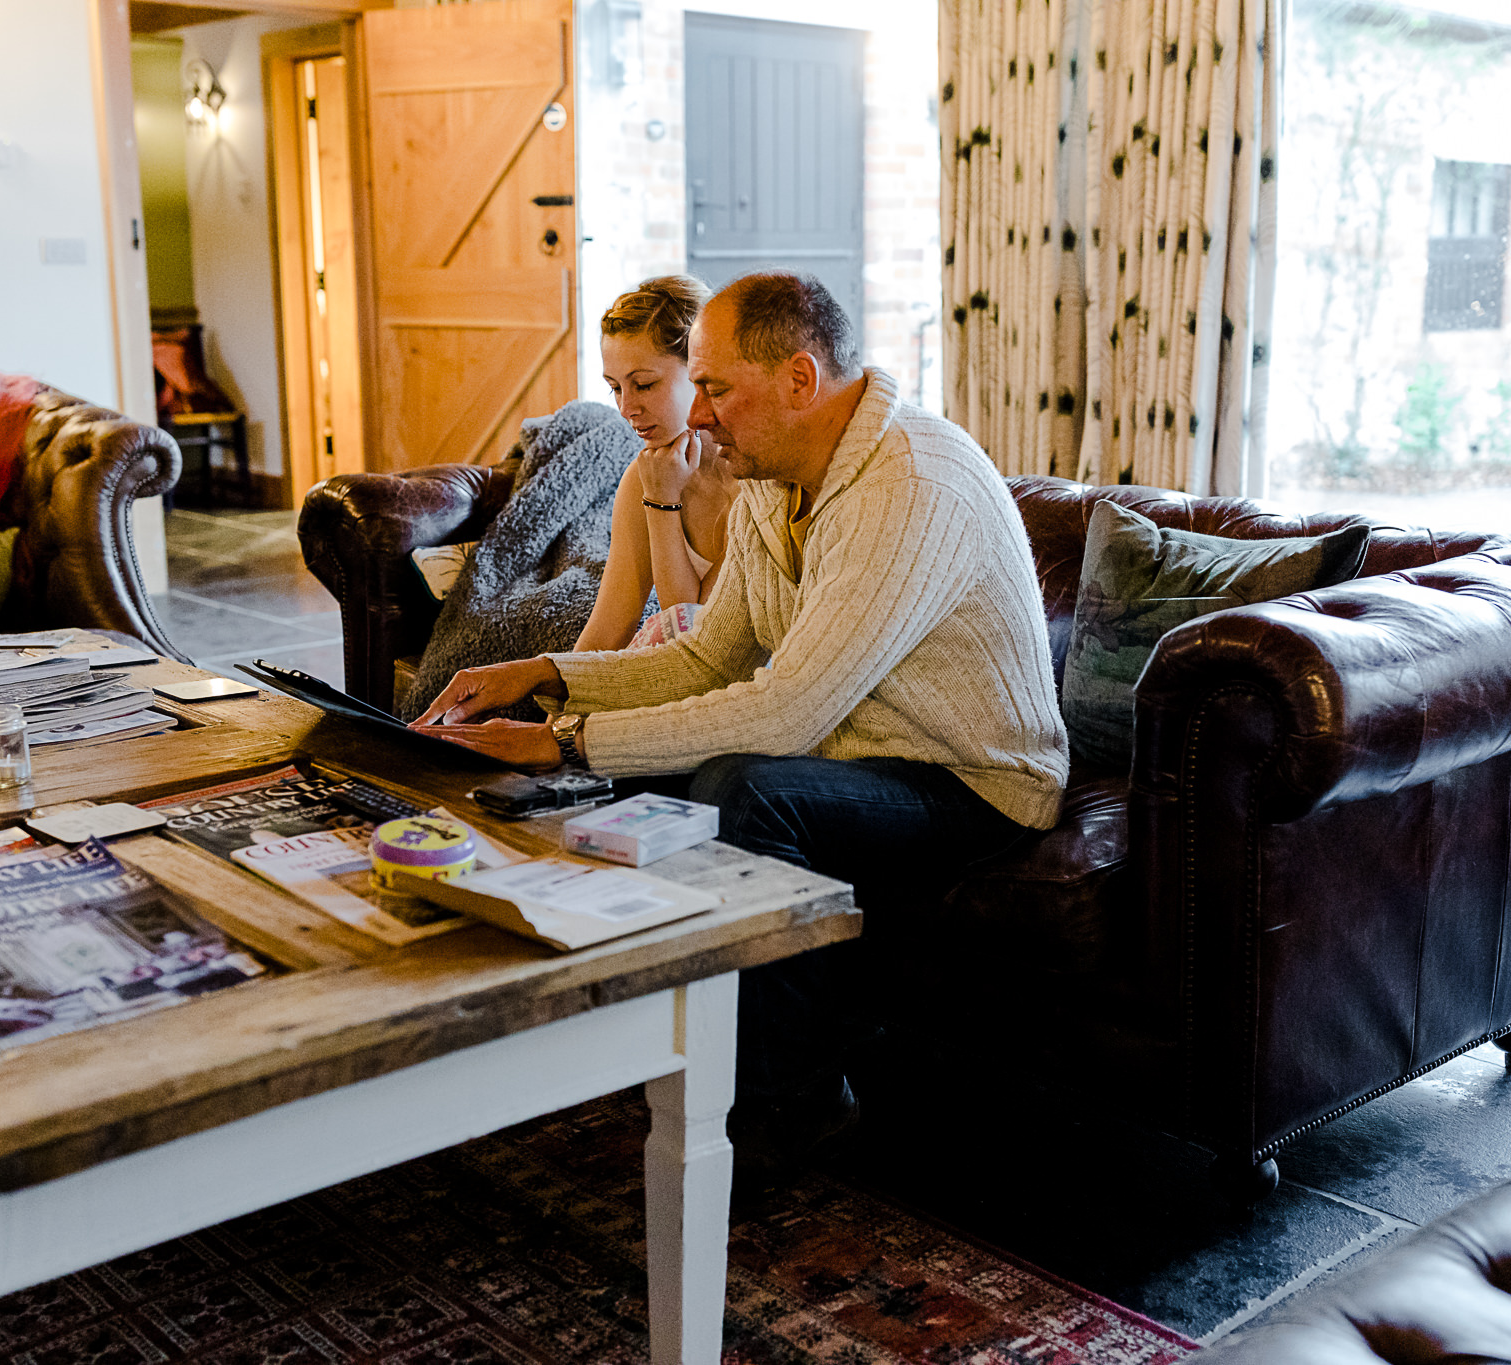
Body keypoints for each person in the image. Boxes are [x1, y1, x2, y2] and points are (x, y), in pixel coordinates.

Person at [413, 271, 1067, 1155]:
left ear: (800, 379)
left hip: (973, 777)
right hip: (858, 752)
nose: (703, 413)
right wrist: (541, 675)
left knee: (743, 787)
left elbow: (785, 711)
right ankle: (639, 1038)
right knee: (662, 773)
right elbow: (705, 655)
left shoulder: (910, 482)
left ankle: (793, 1094)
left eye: (715, 386)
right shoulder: (776, 474)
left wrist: (563, 738)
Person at [576, 275, 739, 652]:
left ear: (700, 371)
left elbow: (690, 624)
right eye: (615, 387)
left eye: (644, 384)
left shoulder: (752, 480)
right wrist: (555, 705)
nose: (626, 409)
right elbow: (606, 631)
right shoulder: (643, 478)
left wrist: (663, 500)